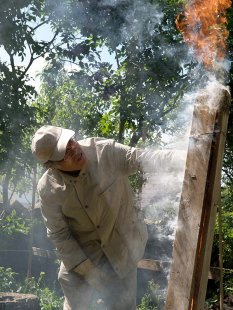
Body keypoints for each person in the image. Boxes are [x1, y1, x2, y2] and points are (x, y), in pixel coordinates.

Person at [31, 125, 185, 310]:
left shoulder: (104, 151)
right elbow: (59, 234)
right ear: (52, 166)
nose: (74, 149)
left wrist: (190, 157)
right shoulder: (47, 189)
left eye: (70, 141)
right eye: (64, 153)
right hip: (80, 259)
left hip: (122, 251)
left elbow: (143, 158)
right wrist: (90, 273)